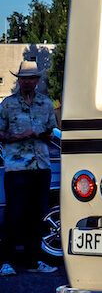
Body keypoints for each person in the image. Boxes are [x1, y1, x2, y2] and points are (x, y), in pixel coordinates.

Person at [0, 58, 60, 276]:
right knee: (14, 215)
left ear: (37, 80)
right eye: (23, 79)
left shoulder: (45, 104)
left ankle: (33, 262)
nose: (27, 82)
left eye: (31, 79)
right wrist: (17, 135)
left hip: (41, 167)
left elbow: (52, 130)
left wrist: (43, 134)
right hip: (16, 168)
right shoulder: (7, 104)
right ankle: (4, 262)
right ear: (19, 81)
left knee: (37, 216)